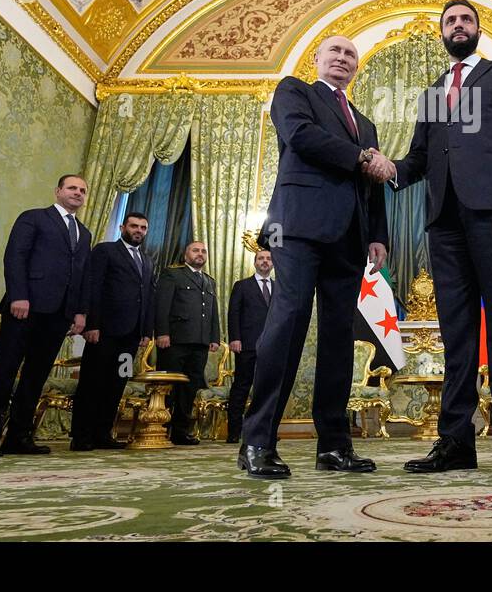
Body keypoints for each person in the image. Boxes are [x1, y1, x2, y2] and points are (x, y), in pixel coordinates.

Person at [387, 0, 492, 475]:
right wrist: (385, 168)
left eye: (466, 20)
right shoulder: (433, 92)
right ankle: (456, 443)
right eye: (450, 21)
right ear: (442, 33)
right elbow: (417, 158)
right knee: (455, 338)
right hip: (444, 224)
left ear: (478, 29)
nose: (458, 26)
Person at [239, 36, 389, 478]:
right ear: (317, 60)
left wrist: (378, 235)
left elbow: (373, 180)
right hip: (298, 228)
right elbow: (302, 138)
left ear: (356, 68)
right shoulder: (294, 91)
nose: (342, 59)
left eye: (350, 55)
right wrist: (361, 158)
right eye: (335, 52)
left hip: (350, 237)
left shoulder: (366, 123)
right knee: (286, 326)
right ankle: (258, 441)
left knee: (340, 339)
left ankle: (334, 446)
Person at [0, 174, 91, 457]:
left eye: (83, 190)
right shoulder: (34, 218)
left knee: (35, 377)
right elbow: (15, 257)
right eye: (72, 188)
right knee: (5, 371)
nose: (78, 193)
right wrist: (18, 295)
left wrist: (80, 313)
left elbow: (84, 275)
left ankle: (19, 436)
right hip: (25, 307)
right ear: (58, 191)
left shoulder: (84, 233)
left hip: (60, 314)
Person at [70, 212, 156, 451]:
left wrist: (146, 331)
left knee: (116, 384)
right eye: (134, 226)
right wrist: (92, 324)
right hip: (104, 331)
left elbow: (148, 297)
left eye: (143, 227)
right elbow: (93, 286)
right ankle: (81, 435)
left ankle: (102, 433)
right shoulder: (105, 250)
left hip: (131, 336)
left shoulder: (147, 260)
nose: (138, 230)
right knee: (92, 382)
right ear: (122, 227)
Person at [155, 241, 219, 446]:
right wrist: (162, 332)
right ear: (185, 254)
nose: (200, 254)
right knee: (169, 386)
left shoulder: (209, 281)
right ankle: (161, 428)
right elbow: (162, 305)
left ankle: (180, 431)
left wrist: (214, 337)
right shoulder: (173, 274)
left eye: (203, 251)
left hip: (199, 342)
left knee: (190, 388)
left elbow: (212, 312)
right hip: (175, 340)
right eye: (195, 250)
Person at [225, 248, 273, 444]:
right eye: (261, 258)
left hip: (271, 347)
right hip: (246, 346)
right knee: (241, 388)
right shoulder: (242, 286)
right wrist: (234, 338)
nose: (265, 261)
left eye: (268, 259)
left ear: (273, 263)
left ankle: (264, 432)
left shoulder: (280, 287)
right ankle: (234, 432)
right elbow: (233, 314)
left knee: (267, 391)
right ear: (255, 262)